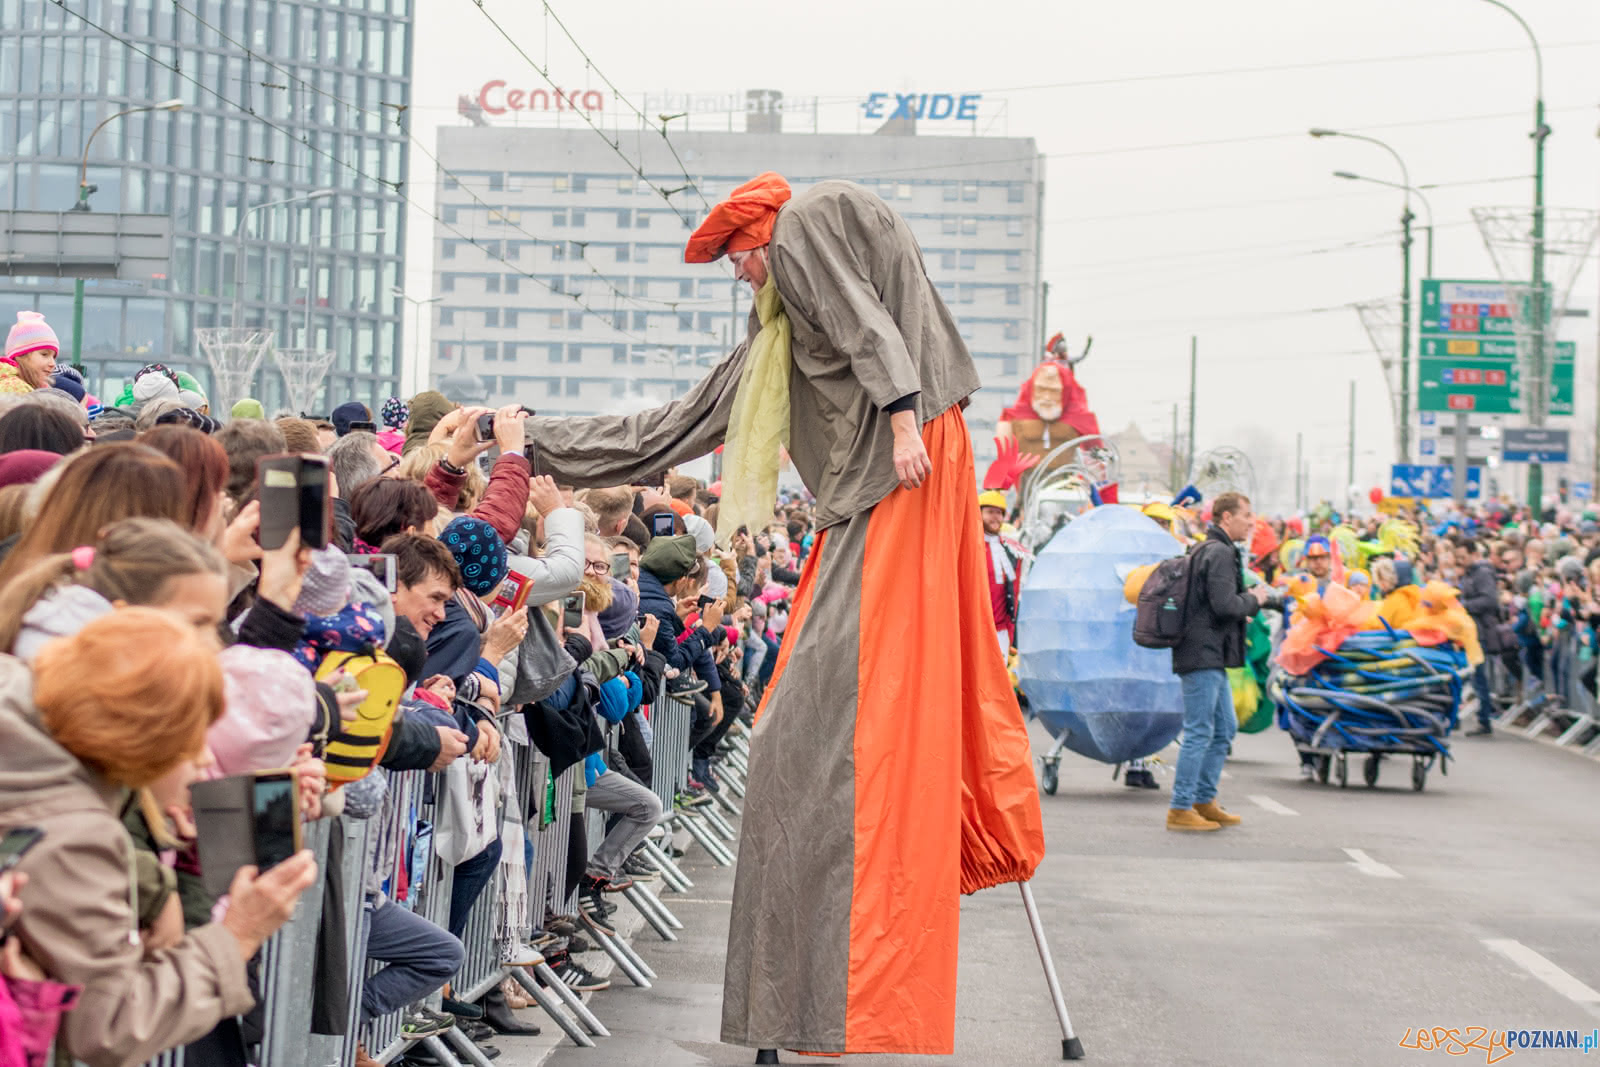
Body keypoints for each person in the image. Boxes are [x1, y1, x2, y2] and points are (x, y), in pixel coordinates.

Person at [519, 173, 1044, 1057]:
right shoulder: (775, 347)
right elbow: (666, 432)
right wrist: (538, 441)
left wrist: (903, 419)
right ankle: (807, 995)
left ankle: (834, 993)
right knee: (803, 736)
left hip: (897, 479)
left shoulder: (804, 227)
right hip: (890, 485)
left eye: (736, 258)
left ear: (764, 237)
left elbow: (868, 324)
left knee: (813, 740)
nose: (738, 278)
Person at [0, 609, 317, 1066]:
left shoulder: (33, 761)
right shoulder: (76, 835)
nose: (205, 754)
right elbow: (108, 1026)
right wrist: (237, 936)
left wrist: (186, 853)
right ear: (147, 737)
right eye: (193, 738)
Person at [1167, 492, 1270, 832]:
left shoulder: (1213, 549)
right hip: (1202, 654)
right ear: (1226, 518)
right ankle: (1181, 808)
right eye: (1247, 515)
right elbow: (1225, 605)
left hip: (1211, 655)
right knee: (1200, 732)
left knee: (1224, 728)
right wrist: (1254, 599)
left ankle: (1203, 800)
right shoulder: (1220, 552)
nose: (1252, 522)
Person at [1457, 538, 1503, 737]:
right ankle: (1481, 717)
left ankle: (1484, 719)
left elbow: (1489, 600)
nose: (1460, 561)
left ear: (1474, 554)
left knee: (1479, 676)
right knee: (1474, 676)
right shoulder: (1469, 574)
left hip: (1481, 632)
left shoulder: (1482, 573)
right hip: (1470, 632)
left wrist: (1464, 605)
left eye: (1463, 557)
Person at [979, 489, 1024, 650]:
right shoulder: (968, 548)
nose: (995, 517)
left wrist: (1011, 633)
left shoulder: (1012, 551)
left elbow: (1015, 590)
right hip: (974, 631)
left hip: (1001, 633)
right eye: (990, 512)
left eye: (999, 513)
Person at [0, 312, 58, 395]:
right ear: (21, 356)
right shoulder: (15, 388)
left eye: (53, 357)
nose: (53, 364)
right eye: (44, 354)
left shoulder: (33, 387)